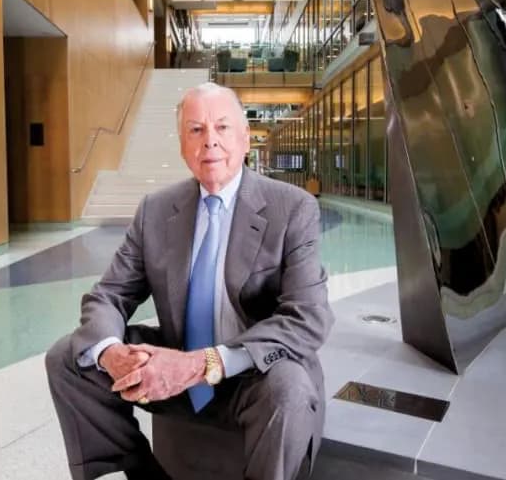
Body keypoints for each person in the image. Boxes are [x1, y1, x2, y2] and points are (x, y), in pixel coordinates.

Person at [46, 82, 334, 480]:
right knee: (69, 356)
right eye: (196, 130)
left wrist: (201, 364)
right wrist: (111, 352)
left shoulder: (292, 208)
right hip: (175, 364)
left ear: (245, 138)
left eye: (222, 127)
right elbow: (109, 294)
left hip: (252, 372)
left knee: (291, 389)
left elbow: (308, 318)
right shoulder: (156, 210)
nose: (209, 140)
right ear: (182, 145)